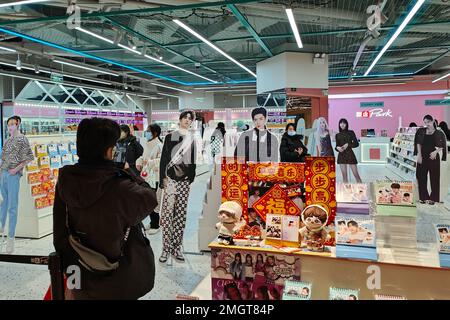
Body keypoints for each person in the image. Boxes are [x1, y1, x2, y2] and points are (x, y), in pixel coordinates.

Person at [53, 118, 157, 299]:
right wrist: (128, 171)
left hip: (80, 272)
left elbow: (59, 225)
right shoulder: (120, 184)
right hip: (120, 275)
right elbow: (149, 197)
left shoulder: (66, 178)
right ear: (109, 150)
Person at [159, 110, 197, 263]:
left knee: (181, 215)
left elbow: (192, 160)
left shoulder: (192, 138)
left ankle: (176, 247)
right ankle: (165, 248)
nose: (187, 120)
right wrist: (163, 178)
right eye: (185, 118)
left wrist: (191, 178)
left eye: (190, 119)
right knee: (167, 215)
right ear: (180, 119)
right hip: (171, 180)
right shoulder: (171, 136)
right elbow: (164, 158)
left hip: (184, 181)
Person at [0, 116, 34, 253]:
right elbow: (3, 158)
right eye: (8, 125)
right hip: (4, 174)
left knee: (12, 206)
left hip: (13, 175)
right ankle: (2, 231)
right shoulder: (8, 140)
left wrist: (17, 169)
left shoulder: (22, 139)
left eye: (12, 124)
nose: (10, 127)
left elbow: (29, 157)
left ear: (18, 124)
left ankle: (11, 238)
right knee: (3, 204)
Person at [414, 115, 447, 205]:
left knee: (435, 178)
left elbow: (442, 146)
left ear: (432, 121)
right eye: (425, 122)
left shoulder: (439, 133)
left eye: (428, 122)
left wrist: (435, 152)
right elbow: (418, 143)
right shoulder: (421, 131)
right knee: (421, 176)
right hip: (423, 156)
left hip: (434, 157)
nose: (426, 124)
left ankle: (433, 198)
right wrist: (419, 155)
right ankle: (423, 197)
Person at [136, 124, 163, 234]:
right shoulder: (148, 144)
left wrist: (150, 162)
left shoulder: (159, 145)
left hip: (155, 178)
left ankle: (156, 225)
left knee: (154, 200)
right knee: (148, 199)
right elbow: (144, 156)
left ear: (155, 133)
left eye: (148, 131)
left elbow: (161, 161)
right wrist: (139, 161)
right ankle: (152, 222)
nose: (146, 133)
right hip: (147, 176)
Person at [335, 119, 362, 183]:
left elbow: (356, 144)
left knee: (356, 175)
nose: (342, 124)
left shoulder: (351, 132)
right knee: (344, 177)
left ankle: (361, 190)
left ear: (346, 124)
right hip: (341, 156)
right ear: (339, 124)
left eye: (344, 123)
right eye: (341, 123)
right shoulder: (337, 135)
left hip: (350, 155)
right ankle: (346, 192)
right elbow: (337, 146)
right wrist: (337, 148)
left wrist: (348, 144)